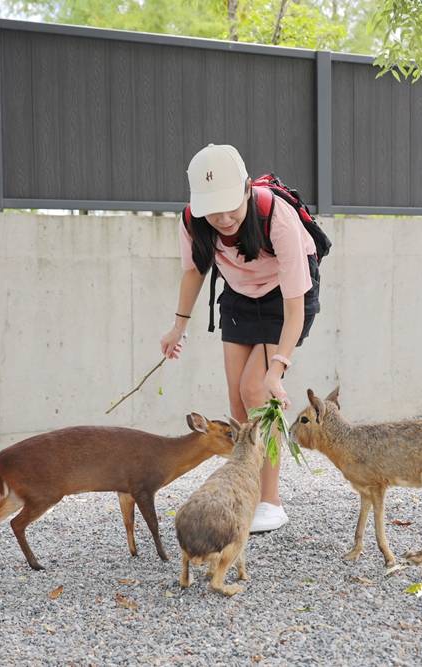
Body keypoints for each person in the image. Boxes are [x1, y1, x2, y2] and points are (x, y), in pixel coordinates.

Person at [160, 144, 321, 533]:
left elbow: (296, 305)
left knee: (257, 391)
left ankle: (272, 502)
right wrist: (177, 327)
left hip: (285, 297)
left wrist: (278, 369)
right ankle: (245, 494)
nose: (223, 217)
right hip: (238, 296)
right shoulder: (194, 221)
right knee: (237, 403)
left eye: (231, 205)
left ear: (248, 189)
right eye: (212, 209)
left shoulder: (276, 217)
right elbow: (195, 272)